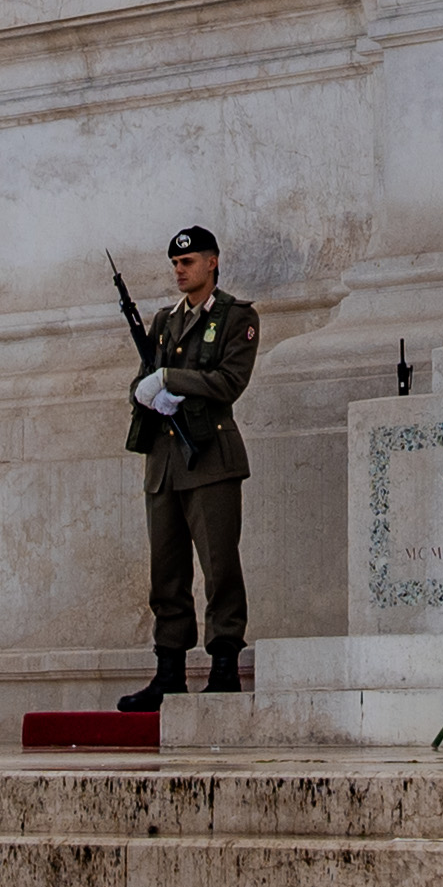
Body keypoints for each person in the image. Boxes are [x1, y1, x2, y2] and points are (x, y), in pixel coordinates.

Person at [120, 225, 259, 708]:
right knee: (167, 573)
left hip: (210, 460)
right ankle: (169, 672)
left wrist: (170, 379)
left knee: (220, 568)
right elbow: (146, 379)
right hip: (165, 464)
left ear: (212, 263)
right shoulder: (163, 322)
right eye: (175, 264)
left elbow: (228, 382)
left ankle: (224, 666)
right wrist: (148, 390)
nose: (180, 271)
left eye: (188, 262)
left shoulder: (237, 317)